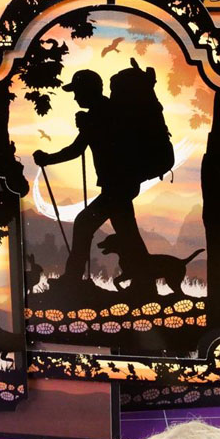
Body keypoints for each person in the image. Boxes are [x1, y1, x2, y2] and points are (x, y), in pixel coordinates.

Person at [33, 69, 147, 286]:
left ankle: (72, 279)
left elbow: (76, 150)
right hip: (122, 184)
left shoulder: (101, 114)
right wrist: (87, 126)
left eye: (77, 92)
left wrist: (47, 158)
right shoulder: (104, 112)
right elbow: (82, 146)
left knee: (84, 223)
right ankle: (145, 281)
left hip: (118, 186)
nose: (75, 97)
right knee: (127, 232)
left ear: (88, 90)